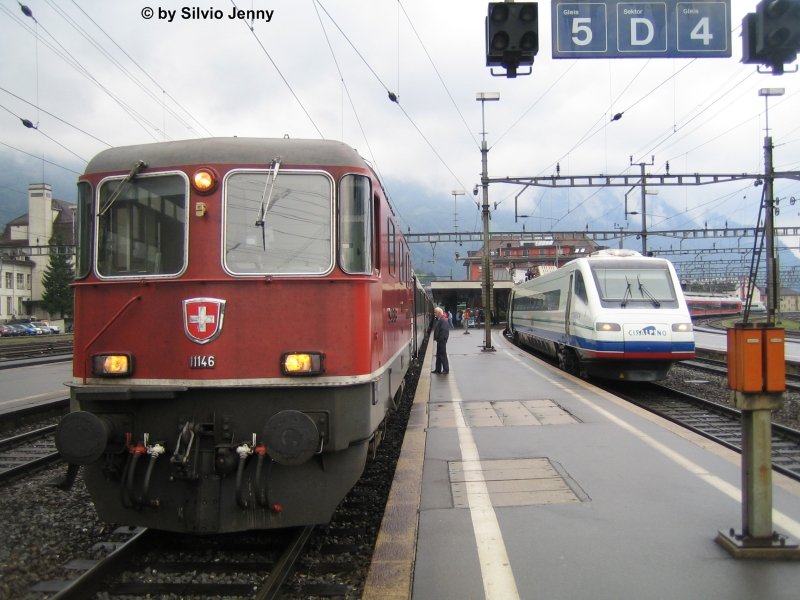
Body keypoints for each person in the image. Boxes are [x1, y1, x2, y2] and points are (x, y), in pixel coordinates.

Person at [432, 306, 450, 374]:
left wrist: (441, 339)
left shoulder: (443, 321)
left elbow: (444, 331)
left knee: (442, 355)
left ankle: (446, 369)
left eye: (435, 312)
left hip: (442, 341)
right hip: (439, 341)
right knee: (438, 355)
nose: (434, 314)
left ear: (439, 313)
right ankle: (437, 369)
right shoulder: (440, 320)